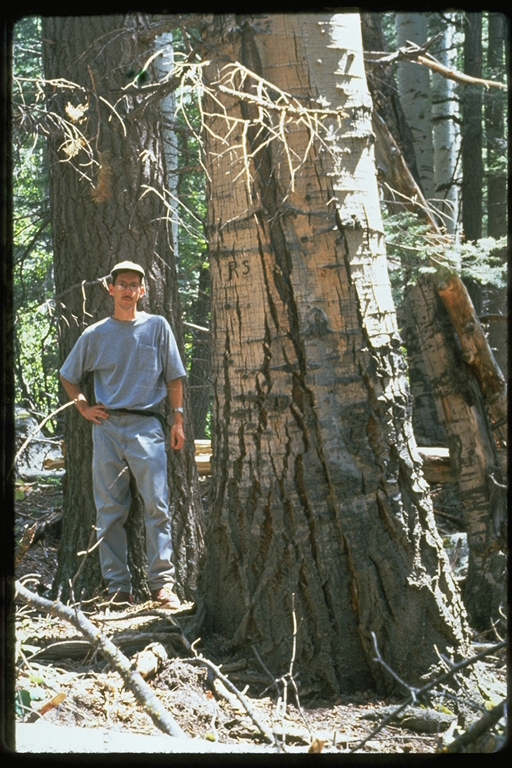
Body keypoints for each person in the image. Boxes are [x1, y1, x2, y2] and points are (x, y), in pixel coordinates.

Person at [59, 261, 187, 610]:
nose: (128, 290)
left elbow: (175, 377)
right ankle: (119, 588)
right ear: (110, 289)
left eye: (134, 285)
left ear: (142, 292)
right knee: (110, 509)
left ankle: (162, 585)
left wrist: (177, 420)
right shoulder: (95, 334)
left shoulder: (158, 328)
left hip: (148, 425)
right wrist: (84, 407)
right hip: (107, 427)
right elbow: (68, 375)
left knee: (156, 505)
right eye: (122, 284)